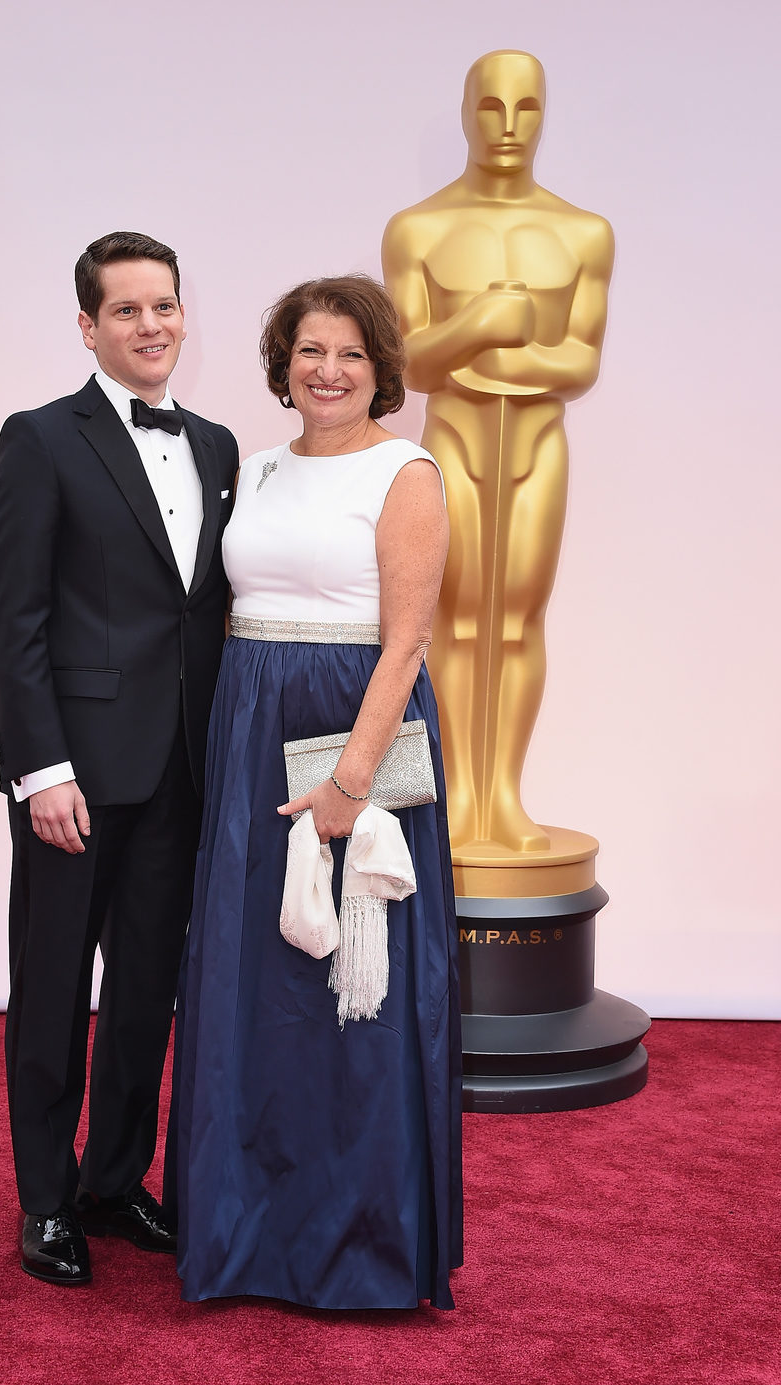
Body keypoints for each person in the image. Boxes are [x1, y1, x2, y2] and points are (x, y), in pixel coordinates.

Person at [167, 275, 464, 1310]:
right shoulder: (253, 469)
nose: (327, 370)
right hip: (251, 732)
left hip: (357, 729)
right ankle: (245, 1230)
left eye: (348, 352)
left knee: (353, 992)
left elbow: (408, 642)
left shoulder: (407, 472)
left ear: (382, 368)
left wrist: (348, 779)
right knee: (255, 983)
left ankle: (360, 1243)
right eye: (308, 351)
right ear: (282, 364)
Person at [0, 231, 238, 1285]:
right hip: (75, 779)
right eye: (127, 310)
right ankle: (45, 1199)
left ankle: (113, 1176)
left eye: (164, 306)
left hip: (183, 773)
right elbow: (17, 619)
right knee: (52, 990)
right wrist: (41, 770)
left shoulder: (221, 445)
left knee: (145, 992)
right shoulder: (41, 438)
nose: (151, 326)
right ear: (88, 326)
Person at [382, 49, 614, 855]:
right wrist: (482, 325)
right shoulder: (419, 229)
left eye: (527, 108)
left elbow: (580, 361)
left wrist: (485, 357)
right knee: (448, 618)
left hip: (537, 445)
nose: (510, 126)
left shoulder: (583, 233)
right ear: (465, 113)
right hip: (453, 440)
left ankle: (502, 797)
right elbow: (411, 362)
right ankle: (454, 795)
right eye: (491, 108)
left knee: (516, 619)